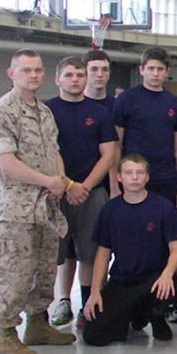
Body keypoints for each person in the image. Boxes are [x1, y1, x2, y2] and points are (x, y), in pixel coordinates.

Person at [0, 48, 75, 354]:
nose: (33, 75)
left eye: (38, 70)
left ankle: (38, 324)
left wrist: (61, 179)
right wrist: (46, 181)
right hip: (17, 210)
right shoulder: (2, 111)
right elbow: (6, 163)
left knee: (44, 269)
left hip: (47, 205)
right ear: (12, 74)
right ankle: (6, 335)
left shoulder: (44, 111)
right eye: (26, 70)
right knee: (15, 272)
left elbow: (54, 151)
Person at [113, 46, 177, 322]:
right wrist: (116, 184)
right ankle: (132, 299)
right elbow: (116, 146)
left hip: (167, 180)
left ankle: (170, 302)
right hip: (133, 184)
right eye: (151, 68)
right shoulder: (126, 101)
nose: (155, 73)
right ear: (141, 69)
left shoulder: (173, 103)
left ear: (167, 72)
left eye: (161, 69)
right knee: (134, 241)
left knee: (170, 242)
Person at [45, 56, 118, 330]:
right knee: (57, 253)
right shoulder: (47, 111)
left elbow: (108, 154)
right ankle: (60, 301)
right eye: (69, 75)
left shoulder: (100, 113)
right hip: (55, 192)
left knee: (91, 252)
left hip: (91, 192)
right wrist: (67, 186)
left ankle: (89, 305)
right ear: (57, 79)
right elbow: (47, 152)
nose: (75, 80)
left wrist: (84, 187)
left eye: (79, 75)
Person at [82, 154, 177, 346]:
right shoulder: (110, 210)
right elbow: (103, 253)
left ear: (147, 177)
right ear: (119, 177)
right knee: (93, 335)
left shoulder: (163, 207)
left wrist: (167, 274)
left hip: (154, 279)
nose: (134, 177)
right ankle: (136, 314)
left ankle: (156, 315)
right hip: (123, 281)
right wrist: (95, 291)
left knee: (162, 290)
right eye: (129, 173)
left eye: (140, 173)